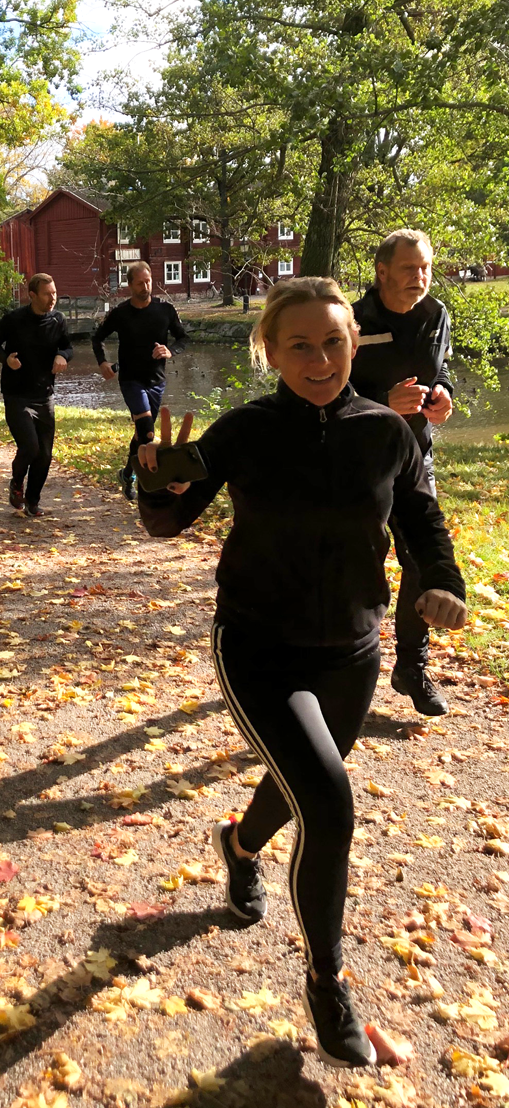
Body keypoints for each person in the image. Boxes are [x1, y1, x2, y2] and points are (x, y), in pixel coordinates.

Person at [136, 278, 466, 1069]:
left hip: (352, 648)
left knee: (299, 788)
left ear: (354, 343)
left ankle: (238, 845)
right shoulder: (246, 429)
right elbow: (169, 518)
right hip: (258, 645)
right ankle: (328, 983)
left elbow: (420, 515)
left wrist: (441, 579)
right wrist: (153, 481)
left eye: (334, 342)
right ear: (271, 352)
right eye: (300, 345)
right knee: (329, 803)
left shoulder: (387, 431)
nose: (320, 360)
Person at [351, 229, 454, 715]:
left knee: (419, 561)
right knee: (358, 562)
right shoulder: (352, 319)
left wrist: (443, 395)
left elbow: (442, 369)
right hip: (359, 459)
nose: (420, 276)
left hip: (415, 457)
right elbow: (326, 388)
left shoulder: (437, 314)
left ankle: (411, 665)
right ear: (382, 271)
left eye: (426, 267)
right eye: (410, 268)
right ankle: (345, 658)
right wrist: (379, 403)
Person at [92, 261, 188, 501]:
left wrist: (170, 351)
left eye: (148, 282)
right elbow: (97, 338)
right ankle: (150, 484)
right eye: (139, 283)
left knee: (142, 434)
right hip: (131, 380)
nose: (145, 287)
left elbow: (183, 339)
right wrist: (103, 362)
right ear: (129, 285)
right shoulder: (121, 313)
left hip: (157, 380)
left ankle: (127, 474)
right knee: (147, 433)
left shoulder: (165, 310)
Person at [0, 273, 72, 517]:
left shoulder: (58, 320)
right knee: (30, 447)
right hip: (16, 394)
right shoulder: (14, 319)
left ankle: (32, 501)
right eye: (47, 294)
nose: (52, 298)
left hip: (44, 395)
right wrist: (6, 360)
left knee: (45, 455)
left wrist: (63, 356)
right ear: (32, 295)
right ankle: (17, 483)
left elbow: (68, 346)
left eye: (54, 293)